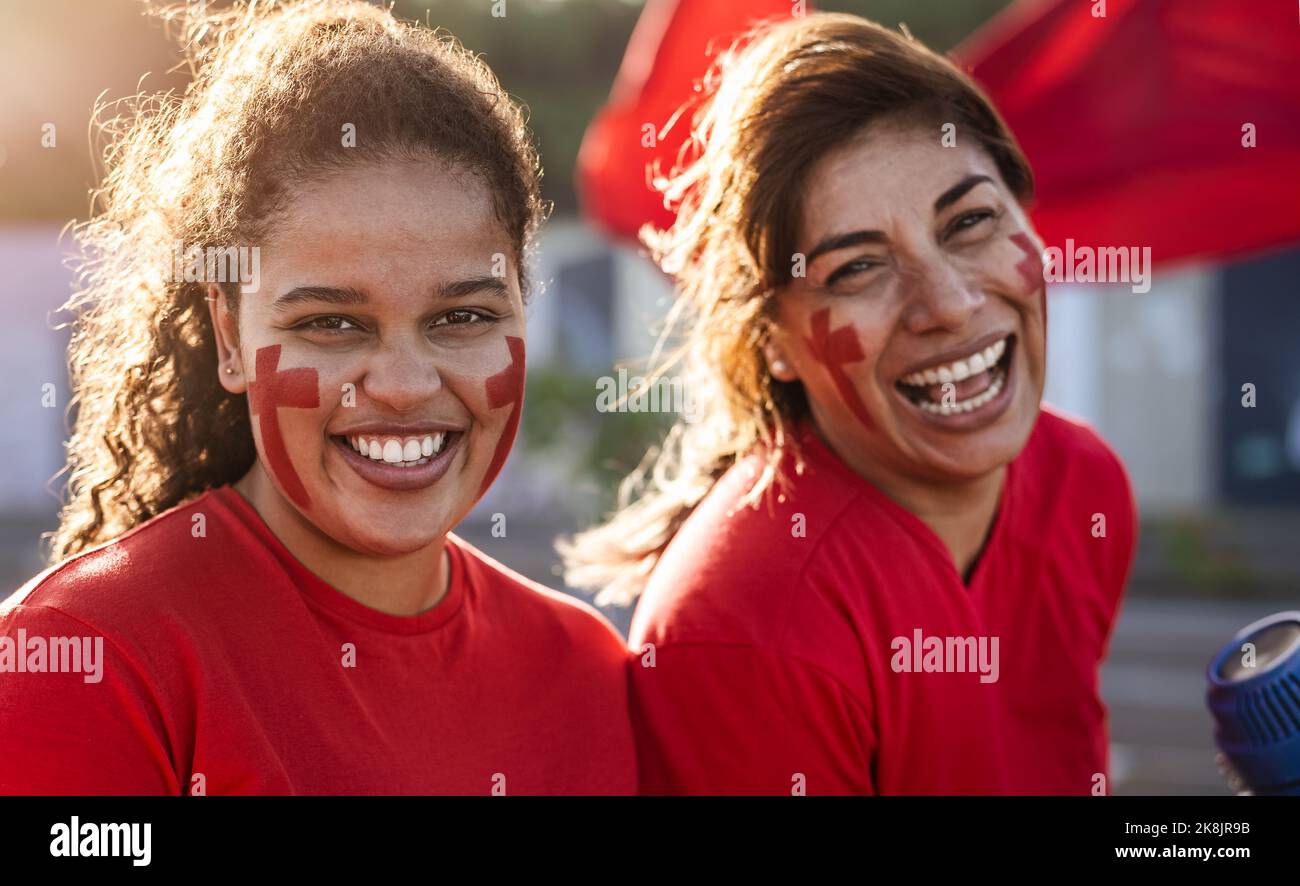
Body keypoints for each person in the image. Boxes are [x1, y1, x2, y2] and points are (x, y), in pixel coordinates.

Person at [0, 0, 635, 795]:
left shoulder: (587, 670)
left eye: (463, 317)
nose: (404, 386)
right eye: (332, 323)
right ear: (230, 338)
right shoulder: (88, 659)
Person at [562, 13, 1137, 795]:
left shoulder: (1083, 485)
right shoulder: (749, 626)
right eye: (859, 268)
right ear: (772, 340)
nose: (950, 303)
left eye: (970, 222)